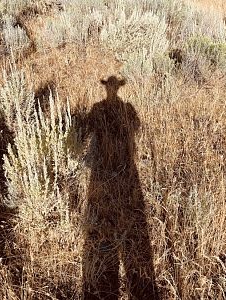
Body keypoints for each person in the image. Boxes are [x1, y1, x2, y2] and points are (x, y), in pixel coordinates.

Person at [81, 76, 159, 300]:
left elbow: (89, 128)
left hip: (108, 167)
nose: (111, 90)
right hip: (120, 165)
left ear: (110, 87)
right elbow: (135, 126)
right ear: (111, 87)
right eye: (111, 87)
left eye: (112, 87)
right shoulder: (124, 108)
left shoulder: (101, 107)